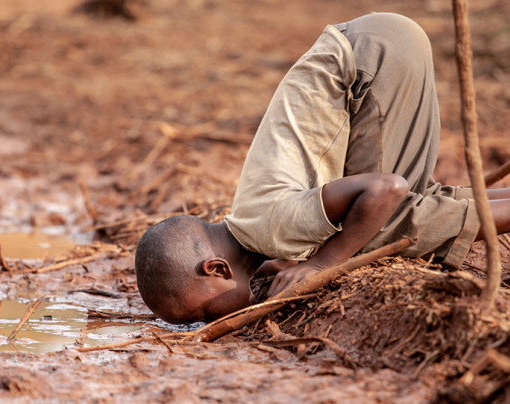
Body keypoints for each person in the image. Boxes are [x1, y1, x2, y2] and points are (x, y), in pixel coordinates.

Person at [134, 12, 510, 325]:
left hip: (370, 60)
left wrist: (323, 263)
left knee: (378, 226)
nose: (207, 322)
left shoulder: (272, 227)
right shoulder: (257, 227)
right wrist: (282, 261)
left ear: (217, 270)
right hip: (376, 44)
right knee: (403, 206)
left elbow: (386, 188)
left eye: (200, 313)